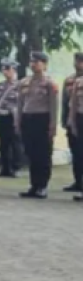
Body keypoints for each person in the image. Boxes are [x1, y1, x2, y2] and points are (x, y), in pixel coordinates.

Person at [16, 51, 59, 199]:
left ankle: (42, 186)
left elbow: (54, 106)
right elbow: (20, 104)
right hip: (28, 119)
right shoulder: (24, 82)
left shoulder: (49, 83)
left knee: (43, 154)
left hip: (43, 119)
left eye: (37, 62)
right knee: (31, 153)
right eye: (32, 62)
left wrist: (53, 125)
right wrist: (18, 122)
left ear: (44, 64)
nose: (33, 64)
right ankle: (34, 185)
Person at [0, 59, 23, 177]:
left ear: (14, 70)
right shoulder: (0, 85)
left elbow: (21, 102)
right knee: (3, 143)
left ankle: (15, 167)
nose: (5, 71)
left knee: (15, 142)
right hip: (3, 115)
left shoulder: (20, 85)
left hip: (14, 116)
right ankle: (5, 167)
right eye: (3, 68)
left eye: (7, 68)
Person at [62, 53, 83, 192]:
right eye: (77, 61)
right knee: (76, 152)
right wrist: (65, 120)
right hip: (73, 118)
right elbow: (65, 102)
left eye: (80, 61)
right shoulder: (69, 80)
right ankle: (78, 181)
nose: (78, 64)